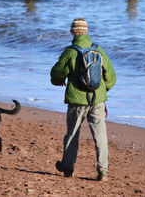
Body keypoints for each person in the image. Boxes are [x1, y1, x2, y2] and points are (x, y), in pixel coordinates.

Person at [50, 18, 116, 181]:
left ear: (72, 32)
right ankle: (103, 171)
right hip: (98, 101)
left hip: (77, 101)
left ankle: (68, 168)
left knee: (72, 134)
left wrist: (59, 81)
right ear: (86, 31)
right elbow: (112, 77)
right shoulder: (98, 50)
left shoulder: (70, 52)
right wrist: (101, 91)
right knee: (100, 135)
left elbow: (55, 74)